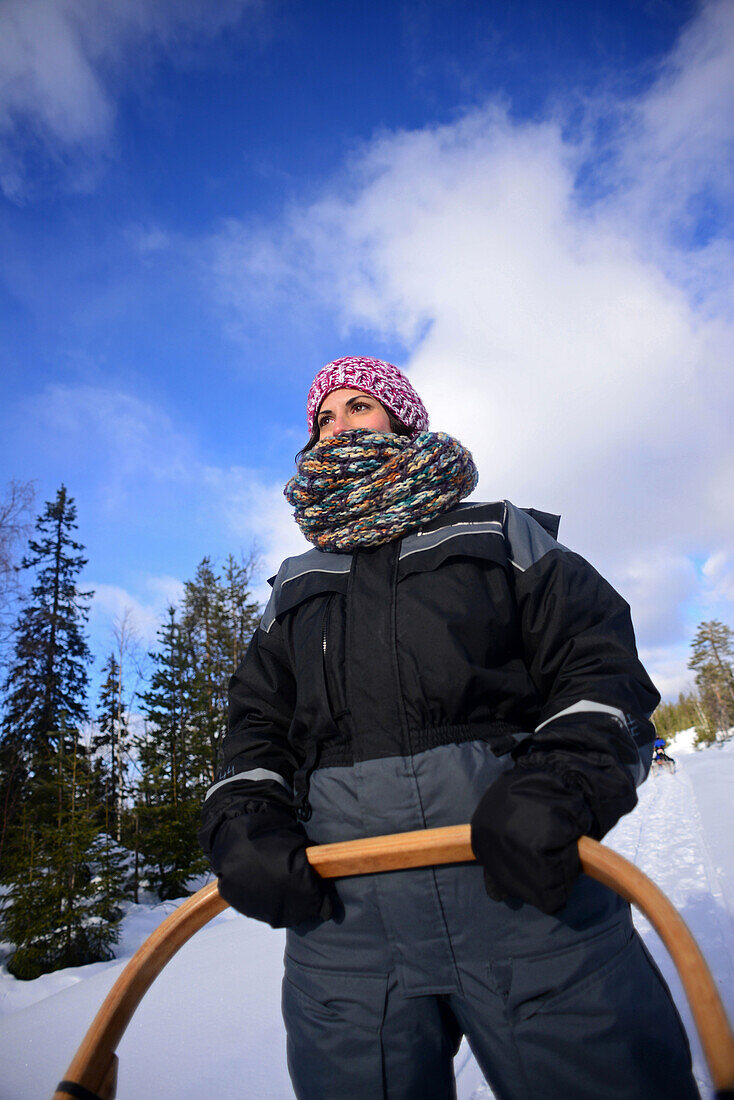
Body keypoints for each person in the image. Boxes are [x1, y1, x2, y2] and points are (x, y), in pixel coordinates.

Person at [199, 357, 698, 1100]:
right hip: (345, 926)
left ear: (402, 416)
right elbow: (255, 728)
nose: (339, 426)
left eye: (359, 406)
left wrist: (559, 788)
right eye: (323, 419)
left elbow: (600, 671)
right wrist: (244, 823)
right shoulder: (294, 587)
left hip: (523, 892)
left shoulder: (503, 534)